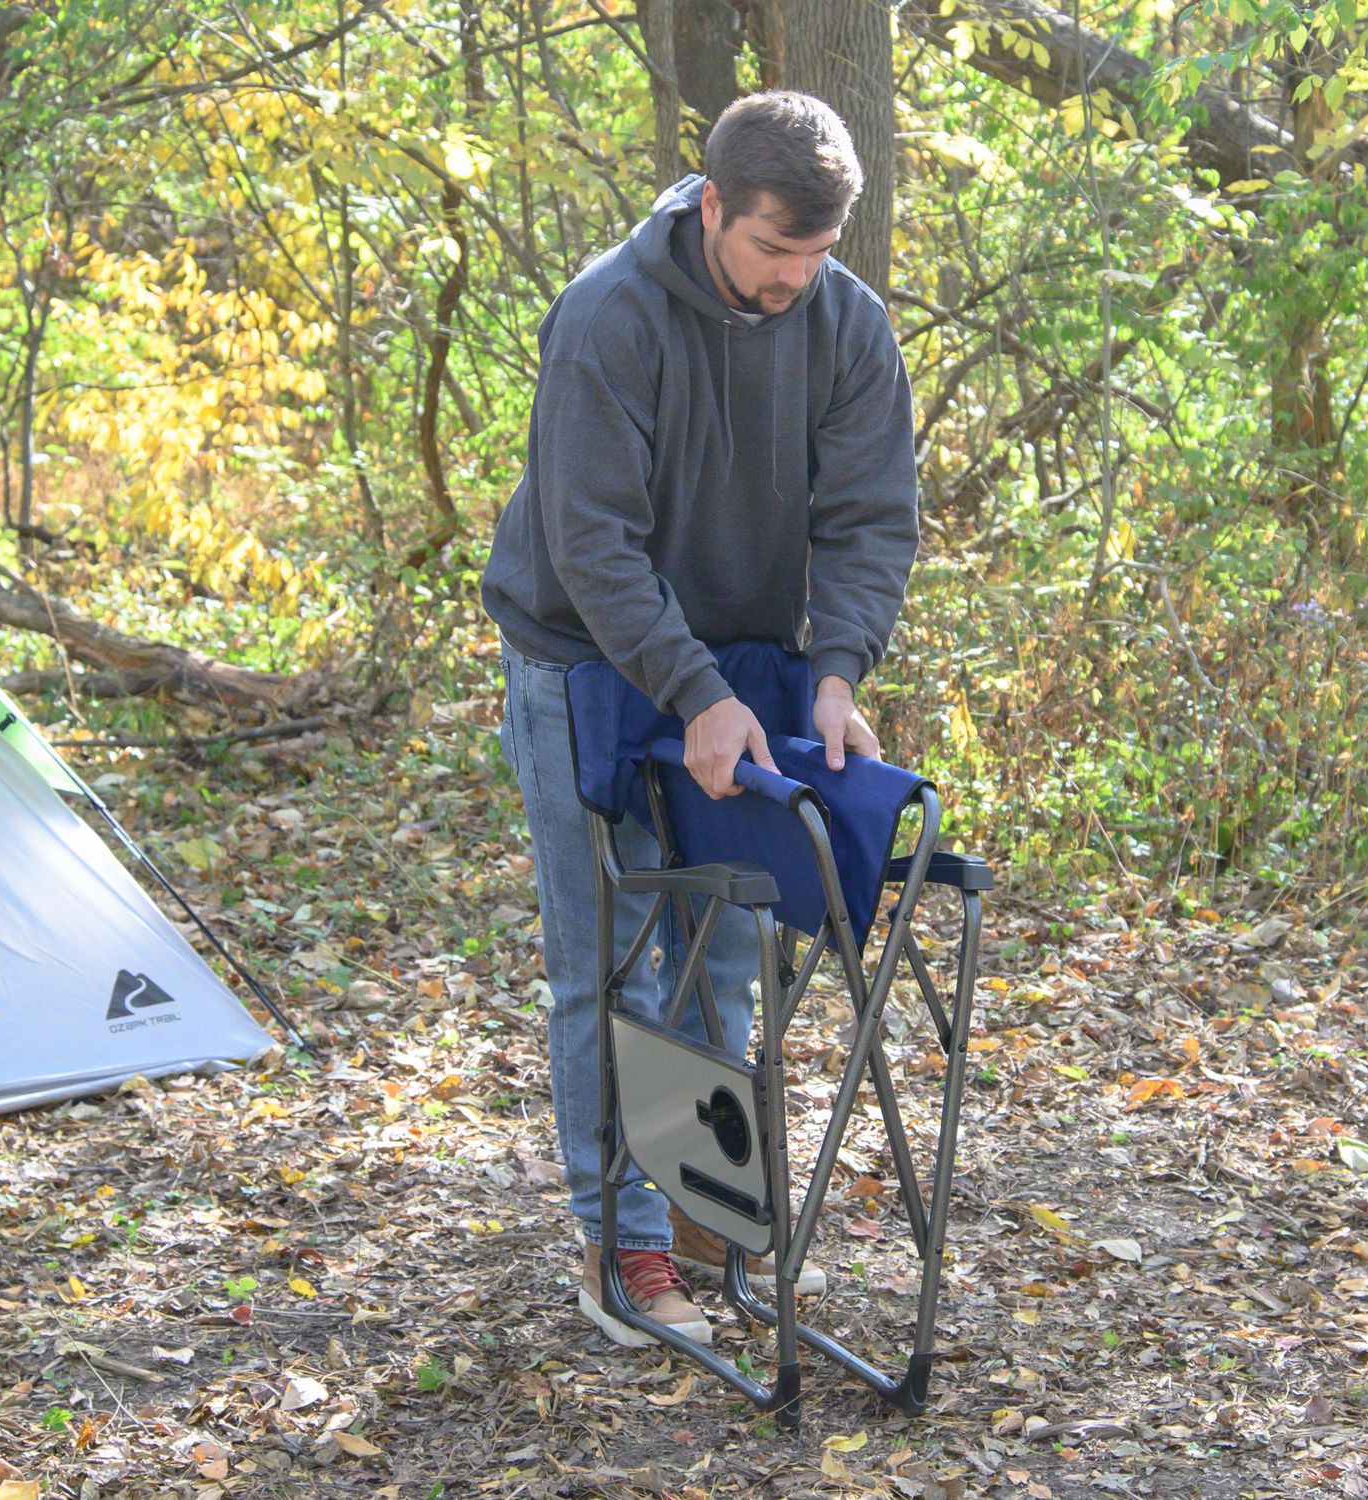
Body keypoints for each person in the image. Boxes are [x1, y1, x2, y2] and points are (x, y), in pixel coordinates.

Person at [480, 91, 918, 1348]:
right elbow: (595, 546)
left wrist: (834, 671)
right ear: (714, 204)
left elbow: (871, 515)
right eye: (774, 249)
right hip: (583, 660)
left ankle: (703, 1205)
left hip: (747, 663)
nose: (793, 278)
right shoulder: (610, 316)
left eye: (817, 255)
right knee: (608, 956)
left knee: (724, 946)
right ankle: (619, 1250)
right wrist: (698, 694)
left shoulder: (843, 323)